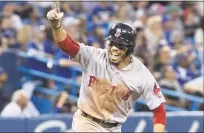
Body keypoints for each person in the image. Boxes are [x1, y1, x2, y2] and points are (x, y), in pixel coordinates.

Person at [47, 2, 166, 132]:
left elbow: (159, 110)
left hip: (114, 128)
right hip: (86, 121)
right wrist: (56, 26)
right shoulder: (94, 56)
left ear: (130, 49)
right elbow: (67, 45)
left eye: (120, 46)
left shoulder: (141, 73)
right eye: (112, 43)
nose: (114, 49)